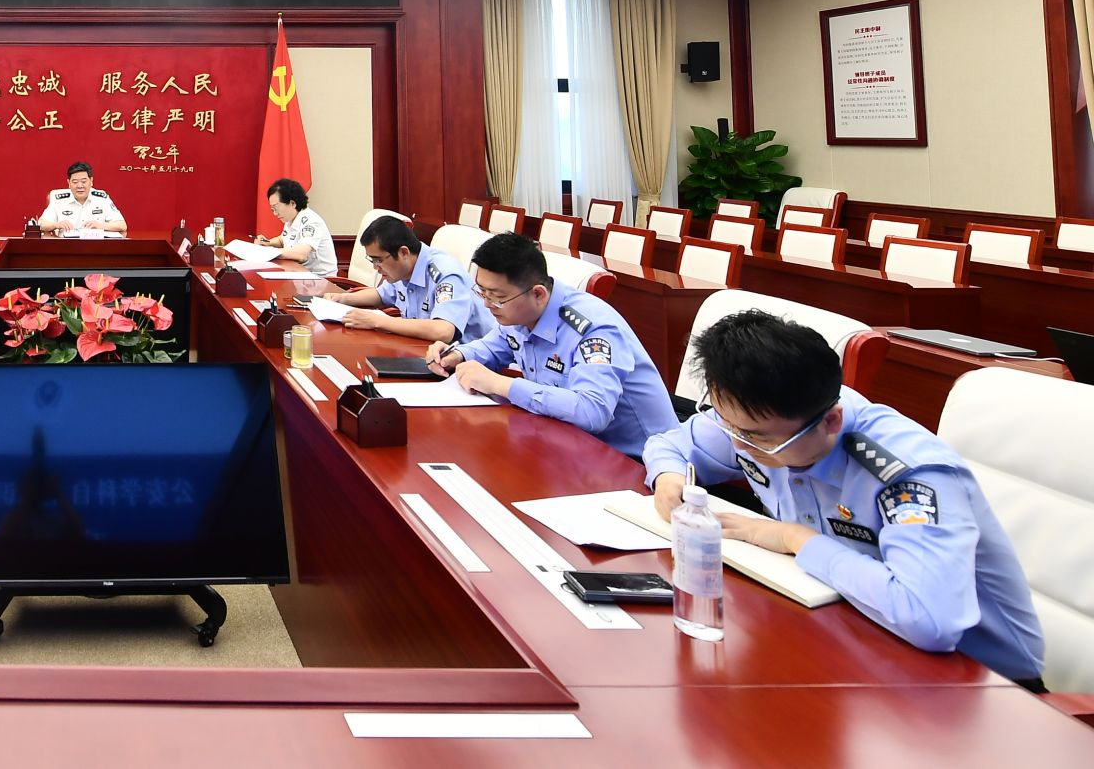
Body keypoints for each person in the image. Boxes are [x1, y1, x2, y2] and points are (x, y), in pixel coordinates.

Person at [643, 310, 1045, 686]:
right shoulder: (758, 417)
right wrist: (668, 476)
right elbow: (670, 445)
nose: (737, 445)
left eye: (754, 438)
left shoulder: (907, 476)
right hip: (846, 628)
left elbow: (929, 620)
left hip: (977, 682)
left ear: (831, 421)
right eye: (729, 426)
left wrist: (796, 539)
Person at [428, 231, 677, 458]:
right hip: (566, 441)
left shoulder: (593, 329)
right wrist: (457, 354)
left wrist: (501, 384)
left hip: (639, 461)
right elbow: (494, 346)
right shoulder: (518, 311)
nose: (487, 304)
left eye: (497, 297)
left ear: (538, 294)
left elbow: (593, 411)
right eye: (483, 292)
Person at [335, 216, 491, 344]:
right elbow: (381, 295)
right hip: (425, 350)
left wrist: (376, 321)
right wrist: (340, 298)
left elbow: (443, 331)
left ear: (404, 252)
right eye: (372, 260)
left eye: (379, 260)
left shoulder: (444, 273)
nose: (376, 267)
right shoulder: (403, 269)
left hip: (470, 361)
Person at [257, 178, 336, 277]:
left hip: (321, 279)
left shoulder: (311, 222)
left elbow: (301, 254)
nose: (275, 213)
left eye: (276, 208)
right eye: (272, 209)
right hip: (299, 274)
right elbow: (283, 240)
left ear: (292, 203)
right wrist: (268, 242)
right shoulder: (291, 219)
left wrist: (269, 252)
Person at [36, 161, 125, 234]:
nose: (79, 186)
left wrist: (101, 225)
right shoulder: (59, 200)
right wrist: (57, 225)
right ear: (69, 183)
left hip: (96, 247)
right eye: (75, 182)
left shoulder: (102, 199)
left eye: (83, 181)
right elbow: (41, 224)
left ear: (91, 181)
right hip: (66, 247)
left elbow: (122, 225)